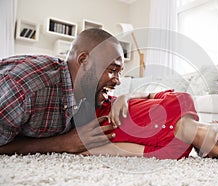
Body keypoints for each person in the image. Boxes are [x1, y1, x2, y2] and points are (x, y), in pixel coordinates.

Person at [0, 28, 131, 155]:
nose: (118, 81)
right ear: (84, 61)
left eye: (120, 73)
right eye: (112, 70)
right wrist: (63, 143)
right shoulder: (26, 88)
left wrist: (125, 97)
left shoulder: (90, 92)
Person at [81, 87, 218, 159]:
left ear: (208, 154)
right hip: (97, 103)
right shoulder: (184, 99)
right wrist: (125, 97)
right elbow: (146, 95)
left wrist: (81, 149)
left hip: (88, 132)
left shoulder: (175, 153)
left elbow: (122, 150)